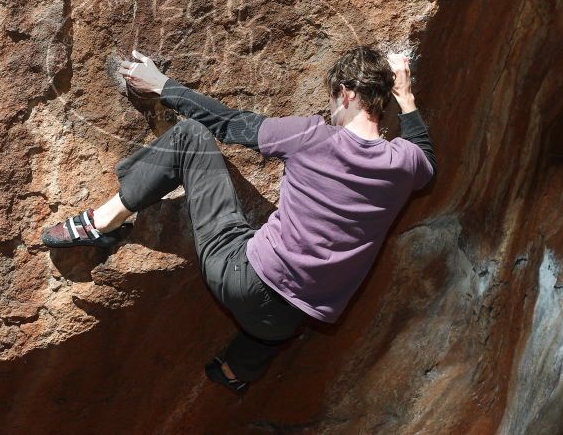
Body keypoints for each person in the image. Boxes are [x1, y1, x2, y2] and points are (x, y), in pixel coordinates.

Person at [41, 46, 437, 395]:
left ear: (346, 94)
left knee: (190, 136)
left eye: (333, 99)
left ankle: (102, 224)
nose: (331, 109)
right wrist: (407, 99)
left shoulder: (313, 136)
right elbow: (428, 162)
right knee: (284, 310)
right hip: (290, 321)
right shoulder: (403, 163)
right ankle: (235, 370)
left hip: (241, 279)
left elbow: (230, 124)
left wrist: (163, 84)